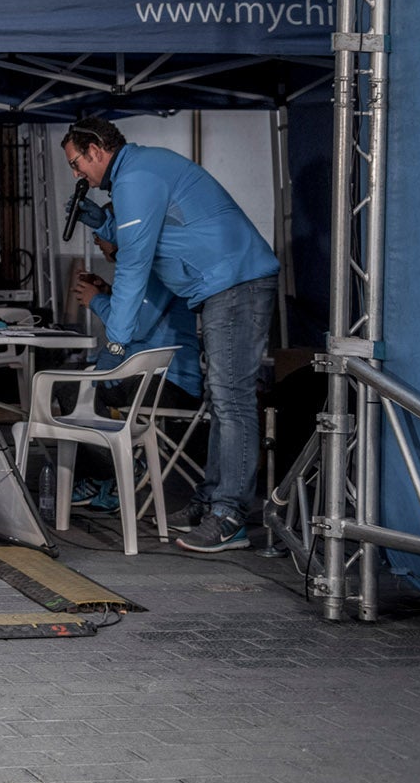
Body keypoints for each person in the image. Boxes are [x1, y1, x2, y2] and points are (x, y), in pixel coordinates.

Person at [62, 117, 278, 553]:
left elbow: (135, 264)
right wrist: (102, 224)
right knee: (222, 398)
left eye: (76, 162)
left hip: (234, 282)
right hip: (223, 285)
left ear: (97, 149)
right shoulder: (137, 173)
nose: (76, 174)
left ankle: (229, 515)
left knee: (231, 397)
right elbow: (159, 231)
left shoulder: (137, 176)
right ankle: (209, 501)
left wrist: (117, 343)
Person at [66, 230, 202, 513]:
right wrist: (108, 293)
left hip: (169, 383)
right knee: (75, 384)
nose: (95, 240)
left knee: (72, 388)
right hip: (147, 376)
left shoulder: (157, 270)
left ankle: (120, 469)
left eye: (101, 232)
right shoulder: (144, 269)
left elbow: (136, 327)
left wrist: (97, 301)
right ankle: (103, 474)